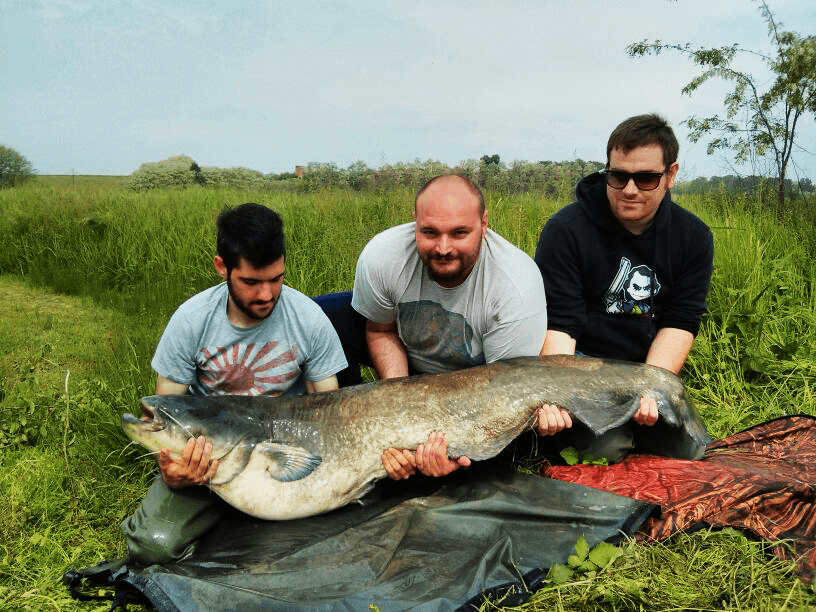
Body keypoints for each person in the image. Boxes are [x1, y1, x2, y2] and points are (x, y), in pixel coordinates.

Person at [121, 203, 348, 565]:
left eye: (276, 278)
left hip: (283, 452)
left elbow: (331, 412)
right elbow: (169, 414)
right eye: (251, 282)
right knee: (153, 547)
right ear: (222, 268)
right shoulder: (191, 321)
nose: (266, 295)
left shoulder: (309, 319)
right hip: (208, 461)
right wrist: (174, 468)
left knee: (342, 536)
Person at [533, 113, 714, 462]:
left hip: (643, 366)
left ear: (670, 175)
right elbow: (560, 324)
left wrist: (651, 386)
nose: (629, 189)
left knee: (690, 450)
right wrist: (557, 396)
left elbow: (680, 322)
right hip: (582, 369)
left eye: (645, 178)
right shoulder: (565, 230)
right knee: (609, 449)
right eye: (618, 176)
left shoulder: (693, 238)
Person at [351, 174, 548, 479]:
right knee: (321, 316)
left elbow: (504, 399)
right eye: (429, 232)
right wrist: (396, 408)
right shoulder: (382, 256)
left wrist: (452, 451)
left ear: (484, 224)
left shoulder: (516, 286)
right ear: (414, 221)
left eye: (459, 233)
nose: (443, 249)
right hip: (411, 367)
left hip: (480, 386)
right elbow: (381, 330)